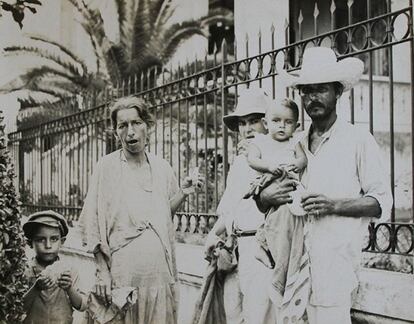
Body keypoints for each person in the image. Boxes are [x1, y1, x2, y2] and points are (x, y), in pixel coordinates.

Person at [255, 47, 393, 324]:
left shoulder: (357, 140)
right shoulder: (294, 144)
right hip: (291, 270)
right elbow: (264, 201)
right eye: (306, 90)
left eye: (321, 89)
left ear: (338, 91)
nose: (312, 97)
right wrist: (267, 197)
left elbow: (381, 202)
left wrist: (334, 204)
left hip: (333, 272)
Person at [79, 96, 203, 324]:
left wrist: (183, 193)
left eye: (136, 123)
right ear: (115, 131)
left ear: (148, 125)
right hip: (122, 278)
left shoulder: (163, 168)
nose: (131, 132)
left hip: (159, 276)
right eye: (122, 125)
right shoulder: (106, 167)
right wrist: (102, 272)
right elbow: (92, 222)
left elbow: (164, 218)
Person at [204, 88, 276, 324]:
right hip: (234, 250)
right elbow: (230, 208)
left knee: (259, 316)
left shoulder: (275, 159)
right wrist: (213, 236)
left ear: (267, 123)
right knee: (233, 315)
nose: (247, 129)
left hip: (261, 249)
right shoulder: (238, 162)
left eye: (254, 121)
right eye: (242, 123)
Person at [22, 210, 87, 324]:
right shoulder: (25, 270)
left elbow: (82, 305)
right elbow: (18, 308)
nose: (48, 245)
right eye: (40, 239)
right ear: (30, 243)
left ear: (62, 241)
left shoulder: (69, 271)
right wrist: (35, 288)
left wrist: (69, 289)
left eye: (54, 239)